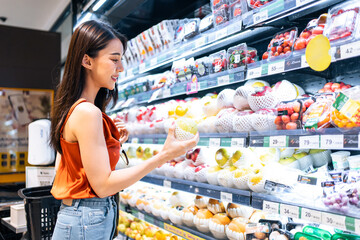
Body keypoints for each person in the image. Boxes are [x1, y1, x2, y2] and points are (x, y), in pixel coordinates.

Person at [50, 20, 199, 240]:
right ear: (86, 60)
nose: (121, 68)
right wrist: (163, 157)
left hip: (81, 217)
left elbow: (64, 168)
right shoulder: (87, 113)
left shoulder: (77, 109)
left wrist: (107, 143)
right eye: (114, 60)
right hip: (86, 220)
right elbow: (102, 186)